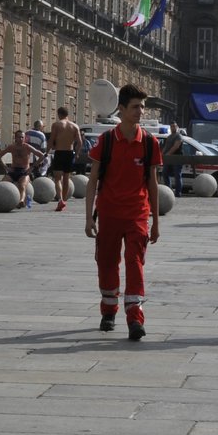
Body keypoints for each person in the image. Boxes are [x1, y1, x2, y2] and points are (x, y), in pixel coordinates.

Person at [85, 84, 162, 341]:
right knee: (107, 262)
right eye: (135, 107)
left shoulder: (149, 143)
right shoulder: (106, 141)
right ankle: (109, 310)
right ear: (121, 109)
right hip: (108, 212)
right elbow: (93, 180)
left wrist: (156, 222)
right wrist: (88, 218)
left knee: (135, 262)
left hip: (137, 213)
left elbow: (152, 183)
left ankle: (135, 317)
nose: (140, 111)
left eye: (142, 106)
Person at [49, 106, 83, 211]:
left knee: (58, 178)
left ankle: (60, 200)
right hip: (69, 153)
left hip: (59, 152)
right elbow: (80, 142)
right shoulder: (75, 126)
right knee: (66, 178)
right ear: (67, 114)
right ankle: (64, 200)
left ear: (59, 114)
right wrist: (76, 154)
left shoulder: (56, 125)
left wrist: (46, 151)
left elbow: (51, 140)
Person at [0, 133, 44, 206]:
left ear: (24, 138)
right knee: (2, 184)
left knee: (22, 185)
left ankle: (21, 201)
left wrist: (32, 168)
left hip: (24, 171)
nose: (21, 139)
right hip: (13, 170)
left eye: (22, 137)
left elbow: (41, 156)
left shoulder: (27, 147)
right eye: (19, 137)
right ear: (15, 138)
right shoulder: (11, 147)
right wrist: (6, 167)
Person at [161, 121, 185, 197]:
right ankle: (169, 191)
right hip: (168, 159)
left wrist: (168, 154)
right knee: (165, 173)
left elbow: (176, 146)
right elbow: (166, 147)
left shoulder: (179, 136)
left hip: (176, 158)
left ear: (177, 127)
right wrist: (162, 154)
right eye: (171, 126)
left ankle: (178, 193)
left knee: (177, 175)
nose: (173, 128)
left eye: (174, 126)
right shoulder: (169, 136)